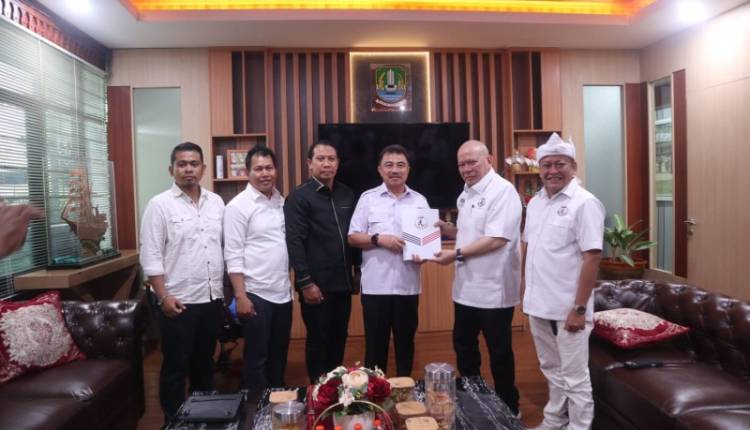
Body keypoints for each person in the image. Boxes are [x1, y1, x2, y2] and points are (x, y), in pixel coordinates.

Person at [432, 139, 522, 415]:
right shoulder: (465, 193)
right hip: (465, 288)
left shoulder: (503, 191)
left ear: (489, 160)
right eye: (462, 164)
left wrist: (455, 254)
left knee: (499, 352)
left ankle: (509, 407)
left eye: (472, 162)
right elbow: (472, 232)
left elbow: (496, 239)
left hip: (494, 288)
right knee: (464, 346)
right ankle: (475, 400)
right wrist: (448, 229)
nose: (466, 169)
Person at [522, 134, 604, 430]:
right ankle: (554, 422)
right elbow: (530, 249)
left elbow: (592, 257)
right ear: (539, 168)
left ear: (574, 166)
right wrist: (525, 293)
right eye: (546, 165)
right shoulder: (535, 203)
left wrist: (579, 309)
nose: (552, 171)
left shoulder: (585, 203)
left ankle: (579, 427)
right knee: (551, 369)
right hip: (538, 305)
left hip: (569, 308)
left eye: (560, 164)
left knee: (574, 377)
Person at [139, 142, 225, 424]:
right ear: (171, 169)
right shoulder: (159, 205)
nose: (189, 169)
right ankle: (174, 421)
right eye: (182, 164)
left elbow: (221, 248)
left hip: (211, 299)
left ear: (203, 168)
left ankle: (202, 419)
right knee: (176, 366)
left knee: (205, 364)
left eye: (194, 163)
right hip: (177, 301)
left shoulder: (216, 203)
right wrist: (163, 296)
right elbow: (151, 255)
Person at [348, 144, 429, 376]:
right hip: (376, 288)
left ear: (408, 169)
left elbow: (426, 244)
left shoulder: (419, 201)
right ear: (380, 169)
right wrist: (378, 239)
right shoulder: (368, 199)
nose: (395, 170)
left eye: (401, 165)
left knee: (406, 346)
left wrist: (423, 255)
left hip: (407, 287)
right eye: (389, 165)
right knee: (375, 348)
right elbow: (353, 237)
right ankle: (375, 392)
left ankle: (405, 389)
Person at [284, 140, 360, 383]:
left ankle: (335, 386)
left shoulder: (347, 193)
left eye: (331, 159)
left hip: (343, 282)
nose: (327, 164)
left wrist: (357, 271)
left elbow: (355, 234)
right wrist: (305, 283)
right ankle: (318, 390)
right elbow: (294, 242)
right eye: (321, 159)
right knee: (318, 339)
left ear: (338, 163)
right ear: (310, 163)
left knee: (339, 336)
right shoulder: (299, 197)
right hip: (315, 285)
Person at [224, 145, 292, 394]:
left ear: (276, 170)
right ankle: (258, 405)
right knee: (257, 356)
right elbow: (232, 254)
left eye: (269, 168)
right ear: (247, 172)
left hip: (283, 292)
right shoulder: (237, 207)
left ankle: (278, 400)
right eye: (259, 169)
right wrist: (241, 296)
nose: (265, 173)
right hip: (255, 293)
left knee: (279, 353)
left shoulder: (280, 201)